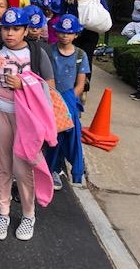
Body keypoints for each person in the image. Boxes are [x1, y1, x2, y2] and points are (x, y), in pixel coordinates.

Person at [0, 7, 56, 241]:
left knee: (23, 168)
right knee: (2, 165)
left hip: (26, 118)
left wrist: (24, 85)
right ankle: (3, 213)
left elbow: (50, 89)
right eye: (6, 28)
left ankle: (28, 214)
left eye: (15, 28)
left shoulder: (36, 52)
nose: (9, 33)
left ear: (25, 30)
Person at [45, 14, 90, 190]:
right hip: (50, 100)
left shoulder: (80, 55)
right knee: (50, 137)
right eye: (61, 32)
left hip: (69, 103)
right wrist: (54, 100)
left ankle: (55, 169)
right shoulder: (50, 51)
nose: (65, 36)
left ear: (76, 35)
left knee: (65, 137)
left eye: (69, 33)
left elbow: (80, 84)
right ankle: (46, 168)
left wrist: (65, 102)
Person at [60, 0, 109, 92]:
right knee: (86, 58)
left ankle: (69, 84)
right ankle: (84, 88)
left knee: (70, 56)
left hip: (71, 31)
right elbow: (105, 10)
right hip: (91, 31)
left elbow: (61, 12)